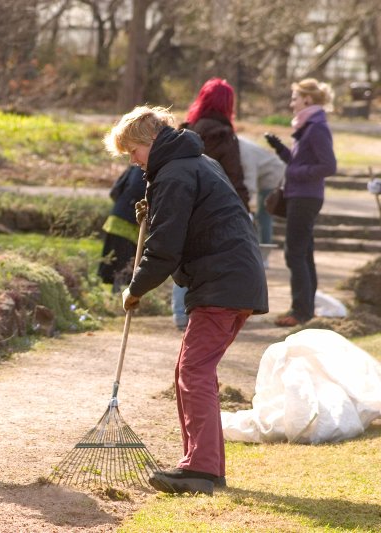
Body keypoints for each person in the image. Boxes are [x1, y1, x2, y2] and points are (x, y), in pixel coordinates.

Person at [105, 105, 268, 495]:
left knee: (193, 373)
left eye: (132, 151)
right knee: (190, 371)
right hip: (232, 280)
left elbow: (165, 247)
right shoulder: (194, 162)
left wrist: (135, 288)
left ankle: (200, 469)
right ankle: (204, 464)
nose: (132, 160)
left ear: (148, 142)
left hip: (222, 283)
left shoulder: (176, 173)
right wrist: (155, 206)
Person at [172, 78, 250, 329]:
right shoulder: (225, 137)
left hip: (185, 204)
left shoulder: (186, 131)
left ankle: (179, 312)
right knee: (208, 262)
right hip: (215, 210)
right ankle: (200, 310)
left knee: (182, 257)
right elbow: (234, 177)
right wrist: (245, 211)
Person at [264, 78, 337, 327]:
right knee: (303, 252)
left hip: (306, 197)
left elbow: (329, 166)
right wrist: (281, 149)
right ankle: (305, 309)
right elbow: (300, 162)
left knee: (294, 253)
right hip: (301, 195)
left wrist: (296, 173)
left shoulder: (316, 127)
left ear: (307, 99)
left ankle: (301, 311)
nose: (291, 103)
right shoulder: (308, 125)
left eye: (294, 98)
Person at [98, 165, 147, 289]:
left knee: (122, 264)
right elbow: (137, 188)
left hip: (123, 218)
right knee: (122, 264)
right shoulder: (144, 166)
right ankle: (117, 300)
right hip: (126, 221)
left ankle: (116, 298)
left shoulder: (140, 165)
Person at [238, 136, 286, 249]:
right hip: (264, 176)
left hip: (273, 175)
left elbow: (250, 180)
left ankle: (265, 249)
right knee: (260, 216)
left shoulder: (244, 151)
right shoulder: (238, 144)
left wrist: (244, 203)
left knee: (264, 215)